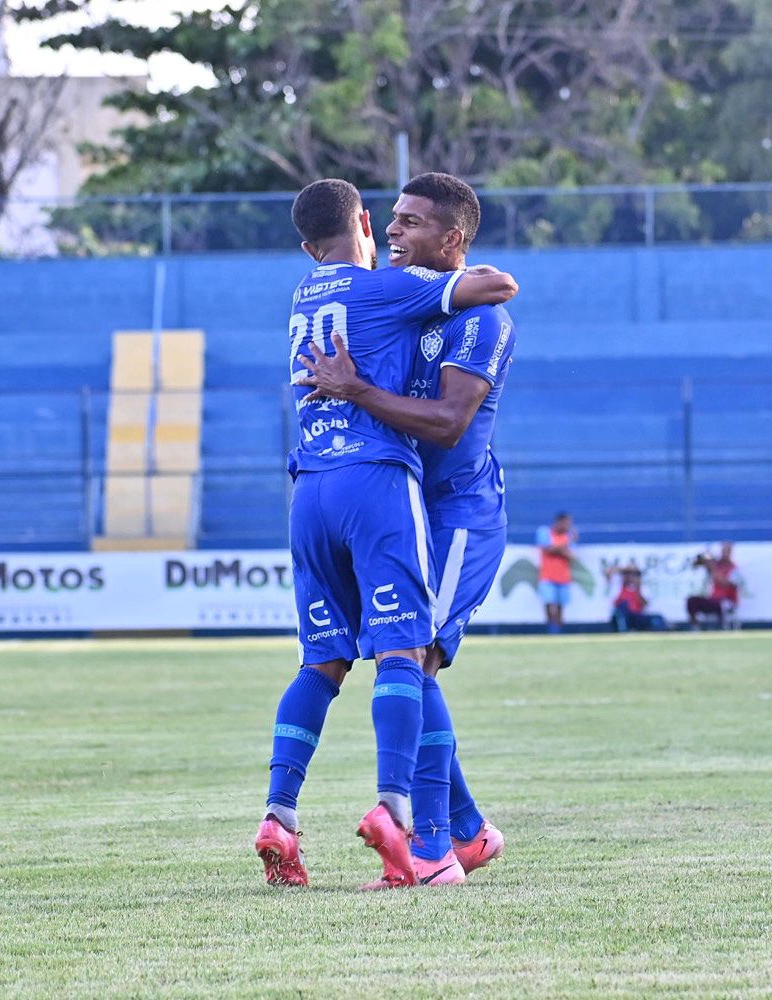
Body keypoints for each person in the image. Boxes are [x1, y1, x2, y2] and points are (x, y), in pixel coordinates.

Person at [253, 178, 517, 891]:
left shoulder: (478, 321)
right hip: (391, 499)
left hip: (456, 515)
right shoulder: (396, 297)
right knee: (404, 663)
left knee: (413, 659)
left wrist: (358, 391)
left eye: (412, 222)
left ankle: (430, 849)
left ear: (452, 240)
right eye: (391, 220)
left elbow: (449, 423)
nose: (396, 232)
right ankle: (465, 831)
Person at [686, 542, 743, 630]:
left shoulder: (733, 568)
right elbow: (695, 564)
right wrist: (705, 561)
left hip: (727, 600)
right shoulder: (717, 565)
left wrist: (713, 567)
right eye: (723, 551)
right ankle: (695, 627)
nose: (724, 554)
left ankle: (722, 628)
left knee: (721, 604)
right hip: (714, 599)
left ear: (730, 553)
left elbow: (725, 583)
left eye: (726, 551)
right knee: (692, 601)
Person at [536, 512, 576, 634]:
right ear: (559, 522)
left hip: (563, 577)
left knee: (560, 606)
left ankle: (558, 630)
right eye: (566, 523)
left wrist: (557, 548)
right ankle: (551, 628)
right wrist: (564, 546)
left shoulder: (566, 536)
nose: (568, 526)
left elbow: (571, 556)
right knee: (549, 604)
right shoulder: (544, 532)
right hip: (547, 576)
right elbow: (548, 549)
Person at [610, 563, 667, 632]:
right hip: (624, 616)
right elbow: (615, 603)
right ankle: (623, 631)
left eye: (634, 575)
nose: (630, 577)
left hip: (638, 616)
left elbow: (645, 605)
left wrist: (638, 589)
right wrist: (623, 570)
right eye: (627, 574)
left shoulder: (643, 588)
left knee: (657, 618)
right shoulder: (617, 586)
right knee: (622, 606)